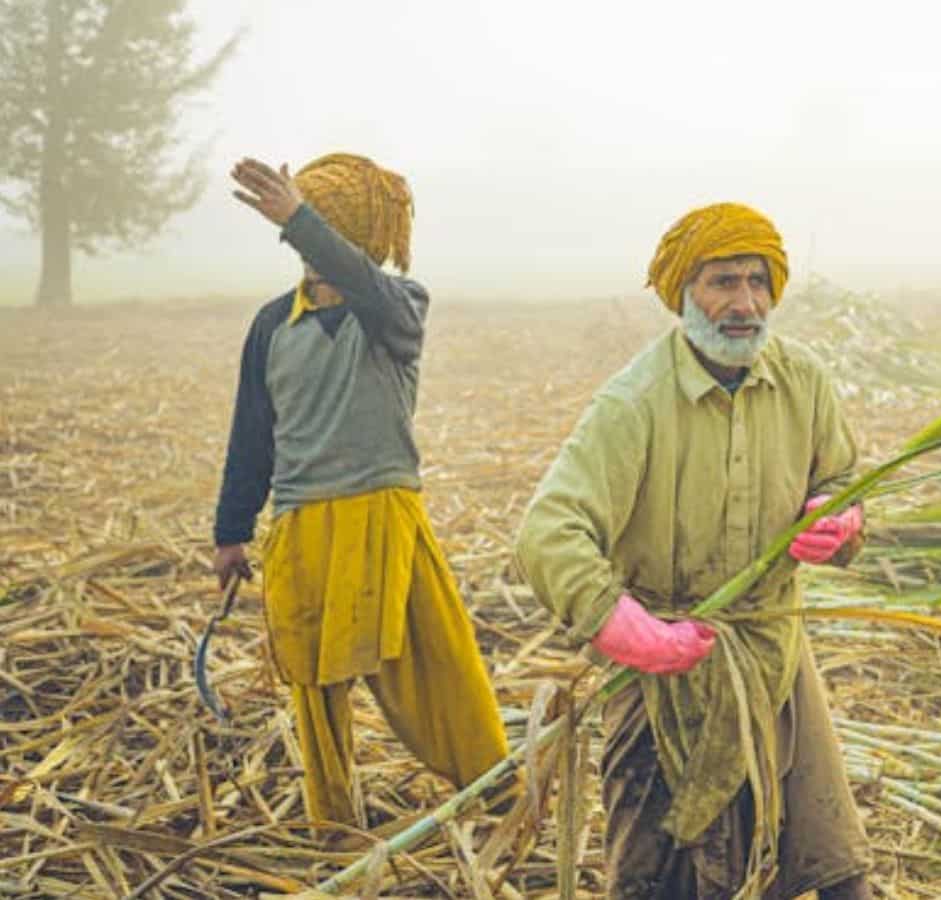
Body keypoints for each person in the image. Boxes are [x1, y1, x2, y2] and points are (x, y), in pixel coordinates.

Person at [515, 202, 872, 899]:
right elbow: (547, 529)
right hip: (663, 679)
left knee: (831, 863)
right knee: (661, 874)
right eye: (722, 283)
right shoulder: (635, 403)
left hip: (774, 655)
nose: (744, 304)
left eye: (757, 282)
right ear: (684, 293)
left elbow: (842, 477)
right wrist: (621, 624)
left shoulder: (803, 382)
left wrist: (842, 521)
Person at [212, 153, 509, 830]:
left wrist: (298, 220)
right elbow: (252, 435)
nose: (310, 245)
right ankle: (336, 828)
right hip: (300, 524)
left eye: (320, 227)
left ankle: (497, 796)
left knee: (441, 667)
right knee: (315, 689)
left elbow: (362, 285)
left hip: (385, 517)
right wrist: (231, 532)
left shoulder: (396, 310)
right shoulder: (270, 326)